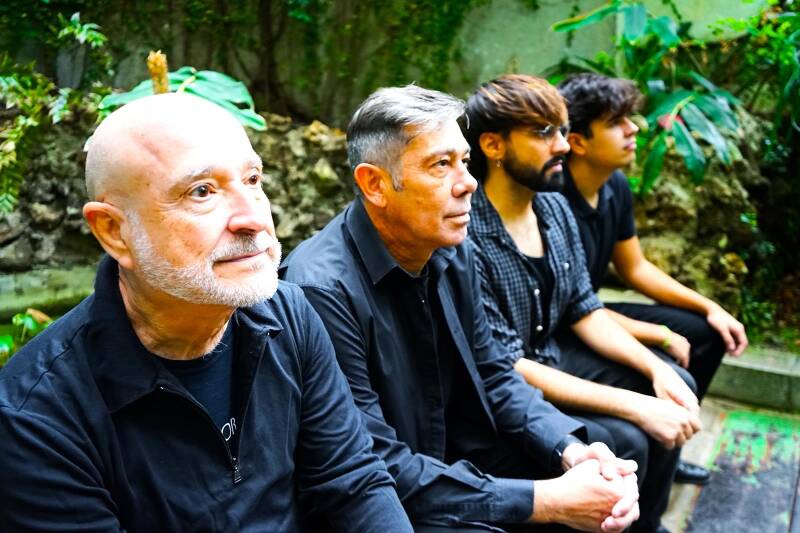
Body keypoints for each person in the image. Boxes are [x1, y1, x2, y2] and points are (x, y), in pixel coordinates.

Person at [0, 93, 412, 532]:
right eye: (202, 192)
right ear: (114, 231)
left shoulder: (289, 316)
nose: (253, 218)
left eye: (252, 180)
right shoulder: (37, 418)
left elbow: (353, 483)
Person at [281, 84, 641, 532]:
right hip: (378, 494)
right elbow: (371, 464)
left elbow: (494, 372)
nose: (468, 182)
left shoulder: (451, 247)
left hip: (452, 451)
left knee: (604, 460)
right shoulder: (321, 291)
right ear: (375, 184)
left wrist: (569, 449)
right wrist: (546, 501)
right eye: (441, 165)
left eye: (465, 161)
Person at [463, 74, 700, 533]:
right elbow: (508, 366)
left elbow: (584, 308)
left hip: (555, 353)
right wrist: (634, 405)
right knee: (627, 437)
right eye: (543, 133)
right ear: (492, 145)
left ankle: (647, 522)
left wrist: (656, 369)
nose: (562, 146)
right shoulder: (468, 236)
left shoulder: (554, 208)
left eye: (562, 130)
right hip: (512, 385)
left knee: (675, 382)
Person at [557, 72, 748, 485]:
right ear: (577, 141)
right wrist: (658, 334)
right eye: (616, 122)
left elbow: (635, 268)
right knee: (669, 360)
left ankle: (670, 447)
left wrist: (710, 307)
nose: (634, 129)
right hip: (566, 323)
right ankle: (658, 454)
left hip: (592, 309)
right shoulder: (554, 200)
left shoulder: (614, 185)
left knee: (707, 331)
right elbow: (574, 307)